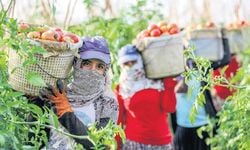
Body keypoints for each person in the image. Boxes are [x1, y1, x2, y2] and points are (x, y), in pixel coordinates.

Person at [33, 36, 119, 149]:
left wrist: (66, 113)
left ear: (105, 71)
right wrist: (35, 105)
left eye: (100, 66)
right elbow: (37, 138)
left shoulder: (107, 103)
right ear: (77, 64)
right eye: (87, 63)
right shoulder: (60, 93)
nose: (93, 70)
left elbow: (99, 144)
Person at [173, 28, 231, 150]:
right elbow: (178, 89)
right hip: (184, 126)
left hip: (204, 124)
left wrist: (224, 37)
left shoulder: (200, 68)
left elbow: (224, 60)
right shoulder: (173, 72)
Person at [115, 44, 177, 150]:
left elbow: (170, 108)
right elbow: (119, 120)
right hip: (133, 143)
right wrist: (117, 144)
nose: (130, 66)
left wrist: (169, 81)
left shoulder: (157, 82)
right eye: (126, 64)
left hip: (161, 142)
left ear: (141, 60)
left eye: (133, 62)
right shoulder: (122, 88)